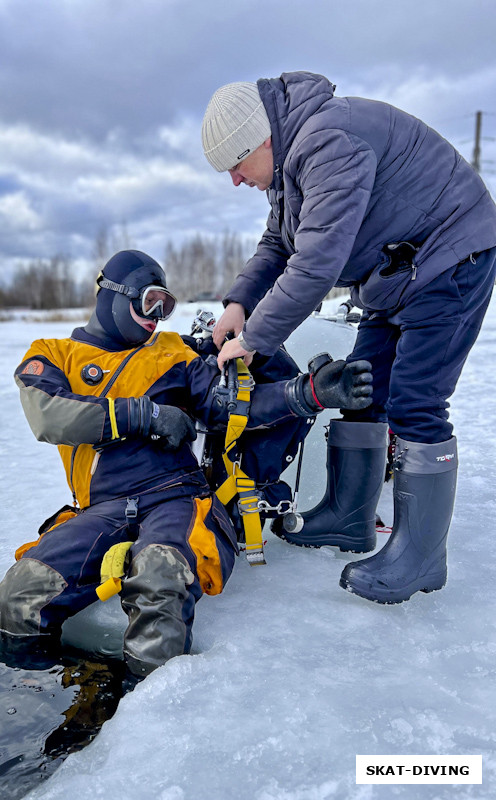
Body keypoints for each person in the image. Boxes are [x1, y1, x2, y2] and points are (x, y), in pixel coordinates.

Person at [0, 250, 372, 687]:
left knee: (160, 575)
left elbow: (229, 407)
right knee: (21, 592)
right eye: (148, 302)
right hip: (101, 508)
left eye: (166, 306)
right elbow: (48, 416)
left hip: (177, 497)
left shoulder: (172, 353)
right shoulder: (53, 354)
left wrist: (307, 393)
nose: (156, 317)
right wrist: (145, 416)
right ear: (112, 296)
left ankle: (144, 722)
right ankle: (42, 705)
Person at [201, 72, 496, 604]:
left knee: (416, 401)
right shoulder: (290, 165)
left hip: (449, 255)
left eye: (236, 166)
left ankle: (422, 558)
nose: (236, 181)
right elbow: (279, 242)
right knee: (363, 391)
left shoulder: (327, 142)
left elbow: (315, 265)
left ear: (260, 139)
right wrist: (238, 305)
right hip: (396, 273)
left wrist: (254, 341)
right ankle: (348, 518)